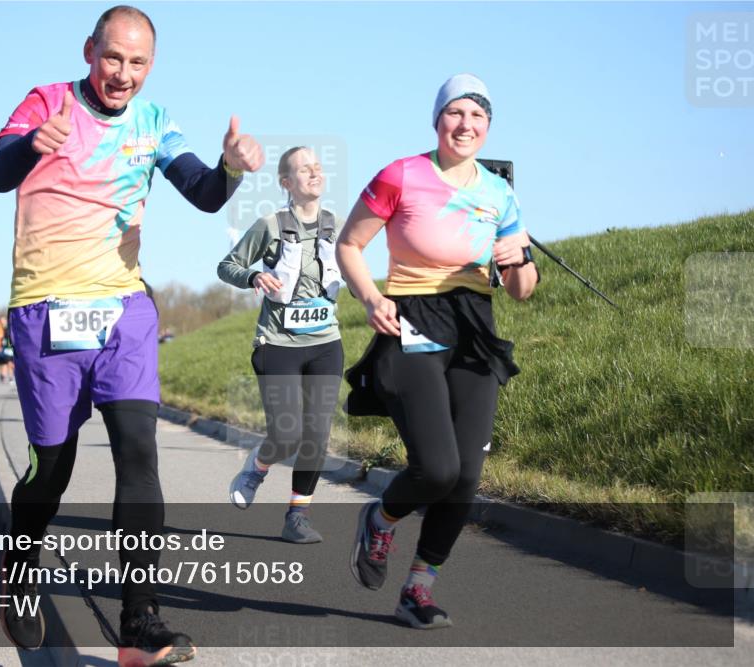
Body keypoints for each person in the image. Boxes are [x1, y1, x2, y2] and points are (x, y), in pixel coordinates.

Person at [0, 5, 263, 664]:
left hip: (124, 311)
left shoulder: (153, 121)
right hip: (46, 310)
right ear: (89, 52)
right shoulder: (47, 101)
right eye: (113, 58)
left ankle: (139, 622)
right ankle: (19, 575)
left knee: (139, 449)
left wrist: (229, 169)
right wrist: (31, 146)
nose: (123, 74)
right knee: (49, 470)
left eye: (138, 63)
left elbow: (201, 190)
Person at [337, 74, 538, 629]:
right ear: (437, 120)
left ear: (489, 126)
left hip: (473, 326)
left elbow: (522, 289)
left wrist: (517, 257)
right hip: (411, 319)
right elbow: (349, 244)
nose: (466, 124)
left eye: (477, 116)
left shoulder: (500, 193)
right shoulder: (401, 174)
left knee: (467, 475)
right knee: (437, 467)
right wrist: (371, 296)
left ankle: (418, 588)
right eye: (456, 113)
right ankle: (381, 519)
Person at [218, 146, 343, 544]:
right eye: (303, 169)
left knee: (317, 434)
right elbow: (227, 266)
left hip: (326, 342)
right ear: (286, 183)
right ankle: (256, 468)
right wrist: (254, 276)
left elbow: (353, 265)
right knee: (287, 433)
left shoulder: (337, 225)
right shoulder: (270, 225)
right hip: (277, 343)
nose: (314, 172)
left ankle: (297, 516)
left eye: (318, 166)